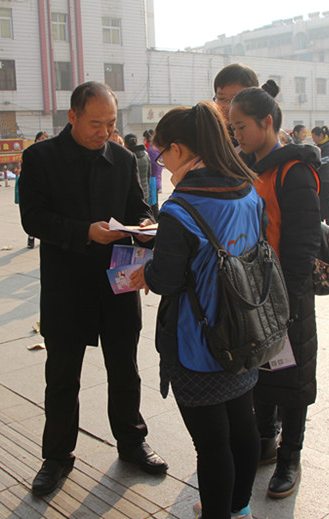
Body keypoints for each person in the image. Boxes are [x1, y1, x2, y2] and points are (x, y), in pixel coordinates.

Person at [19, 82, 166, 497]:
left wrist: (145, 225)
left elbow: (138, 206)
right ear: (72, 117)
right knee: (62, 376)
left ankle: (132, 441)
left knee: (125, 369)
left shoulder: (122, 158)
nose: (104, 132)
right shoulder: (40, 158)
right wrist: (85, 231)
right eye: (95, 124)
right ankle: (57, 457)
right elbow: (33, 218)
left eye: (111, 124)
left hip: (118, 281)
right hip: (66, 286)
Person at [129, 102, 261, 519]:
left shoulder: (180, 207)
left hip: (198, 341)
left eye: (162, 153)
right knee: (243, 426)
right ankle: (240, 508)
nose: (162, 162)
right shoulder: (246, 189)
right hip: (245, 327)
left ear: (179, 149)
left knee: (212, 444)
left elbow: (167, 281)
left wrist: (147, 271)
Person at [230, 82, 321, 500]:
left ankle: (290, 457)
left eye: (242, 126)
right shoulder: (249, 168)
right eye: (233, 127)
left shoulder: (294, 171)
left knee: (293, 380)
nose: (237, 135)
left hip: (287, 295)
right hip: (254, 291)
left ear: (266, 122)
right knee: (261, 372)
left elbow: (303, 244)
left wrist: (288, 302)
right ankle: (265, 440)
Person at [24, 131, 50, 249]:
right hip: (35, 188)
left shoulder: (50, 153)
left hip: (47, 189)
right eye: (40, 138)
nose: (42, 140)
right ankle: (31, 237)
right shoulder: (31, 153)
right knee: (34, 213)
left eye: (45, 138)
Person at [311, 126, 329, 225]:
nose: (313, 139)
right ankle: (320, 225)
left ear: (321, 136)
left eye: (314, 137)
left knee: (325, 204)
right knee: (319, 204)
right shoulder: (319, 146)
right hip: (319, 179)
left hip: (326, 179)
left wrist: (313, 163)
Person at [124, 133, 154, 212]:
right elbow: (149, 174)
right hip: (145, 192)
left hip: (131, 194)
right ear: (136, 142)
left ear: (125, 144)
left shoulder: (126, 157)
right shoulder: (146, 155)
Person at [145, 129, 162, 216]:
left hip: (153, 179)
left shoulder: (151, 150)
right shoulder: (156, 149)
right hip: (156, 179)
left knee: (153, 206)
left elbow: (153, 166)